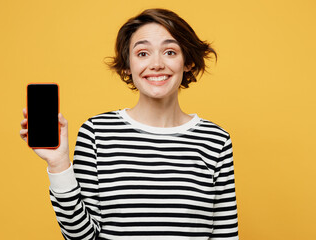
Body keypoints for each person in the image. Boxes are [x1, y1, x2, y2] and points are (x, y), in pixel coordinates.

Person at [20, 8, 238, 240]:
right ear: (127, 65)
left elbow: (225, 235)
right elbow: (80, 238)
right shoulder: (96, 133)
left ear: (188, 63)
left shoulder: (216, 140)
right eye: (143, 53)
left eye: (170, 52)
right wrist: (59, 164)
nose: (156, 64)